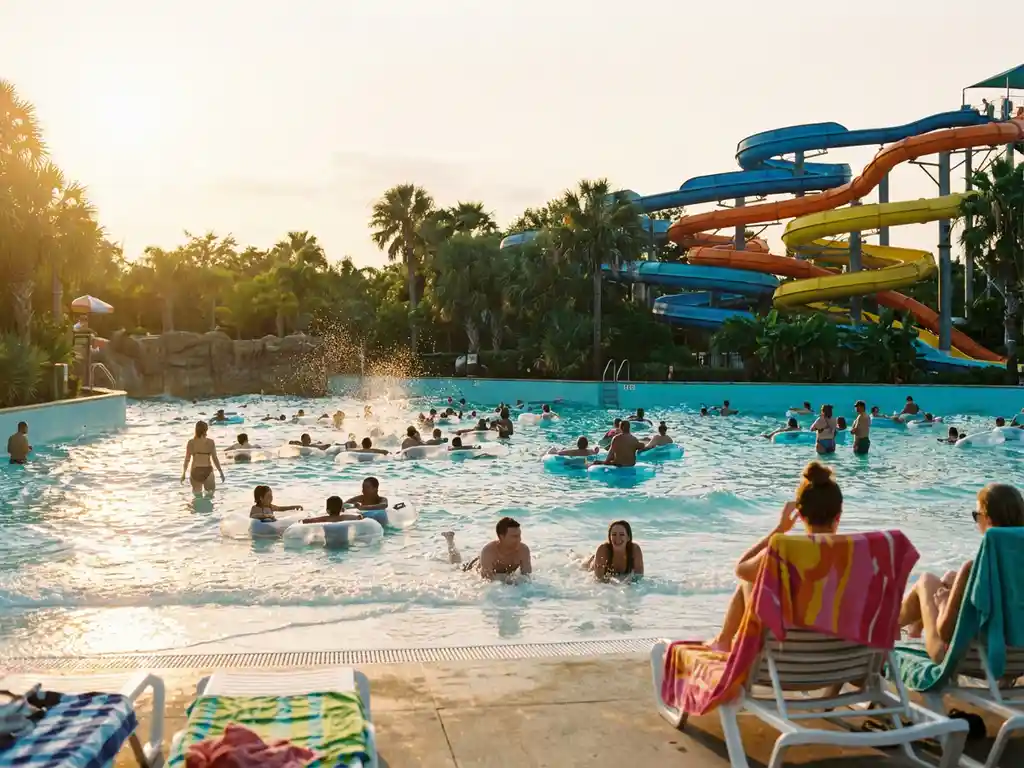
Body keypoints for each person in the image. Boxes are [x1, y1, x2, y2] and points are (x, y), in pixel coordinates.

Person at [711, 461, 843, 651]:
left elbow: (741, 568)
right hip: (843, 659)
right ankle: (723, 641)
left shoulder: (783, 553)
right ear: (838, 515)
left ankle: (723, 641)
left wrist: (780, 530)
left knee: (751, 580)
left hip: (786, 657)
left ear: (802, 516)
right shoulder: (862, 557)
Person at [899, 483, 1024, 662]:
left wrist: (942, 603)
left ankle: (887, 628)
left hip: (964, 659)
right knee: (950, 577)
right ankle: (913, 628)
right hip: (1016, 659)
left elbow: (946, 632)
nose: (976, 521)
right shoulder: (1011, 572)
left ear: (988, 519)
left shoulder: (974, 570)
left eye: (976, 515)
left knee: (927, 581)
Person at [444, 517, 532, 582]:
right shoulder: (489, 552)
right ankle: (450, 542)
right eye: (514, 536)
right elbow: (487, 582)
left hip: (495, 570)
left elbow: (527, 578)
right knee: (457, 566)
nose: (519, 539)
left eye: (519, 535)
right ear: (502, 537)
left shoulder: (523, 551)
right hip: (474, 566)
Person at [181, 421, 225, 492]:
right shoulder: (210, 442)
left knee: (197, 497)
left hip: (195, 470)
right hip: (207, 470)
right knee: (210, 496)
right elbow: (215, 458)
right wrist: (221, 472)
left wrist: (183, 473)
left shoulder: (191, 442)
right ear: (206, 430)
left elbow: (187, 459)